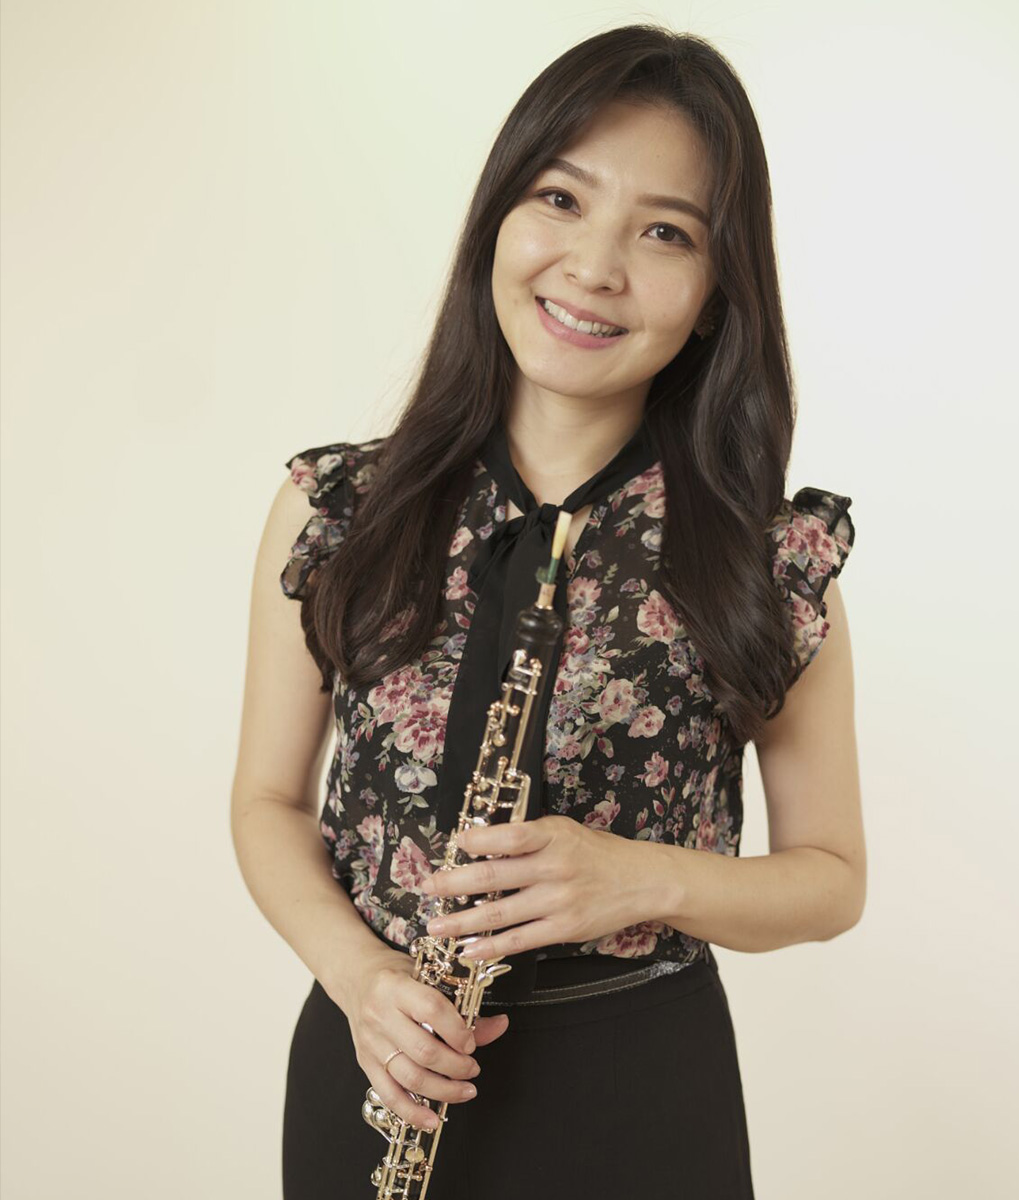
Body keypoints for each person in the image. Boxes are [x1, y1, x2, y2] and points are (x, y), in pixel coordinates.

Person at [231, 23, 865, 1200]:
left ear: (715, 293)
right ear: (496, 219)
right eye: (560, 199)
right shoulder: (338, 508)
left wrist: (640, 878)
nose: (593, 267)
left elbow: (830, 877)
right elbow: (267, 802)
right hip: (379, 1061)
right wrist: (361, 980)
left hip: (640, 1094)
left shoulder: (764, 555)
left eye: (664, 232)